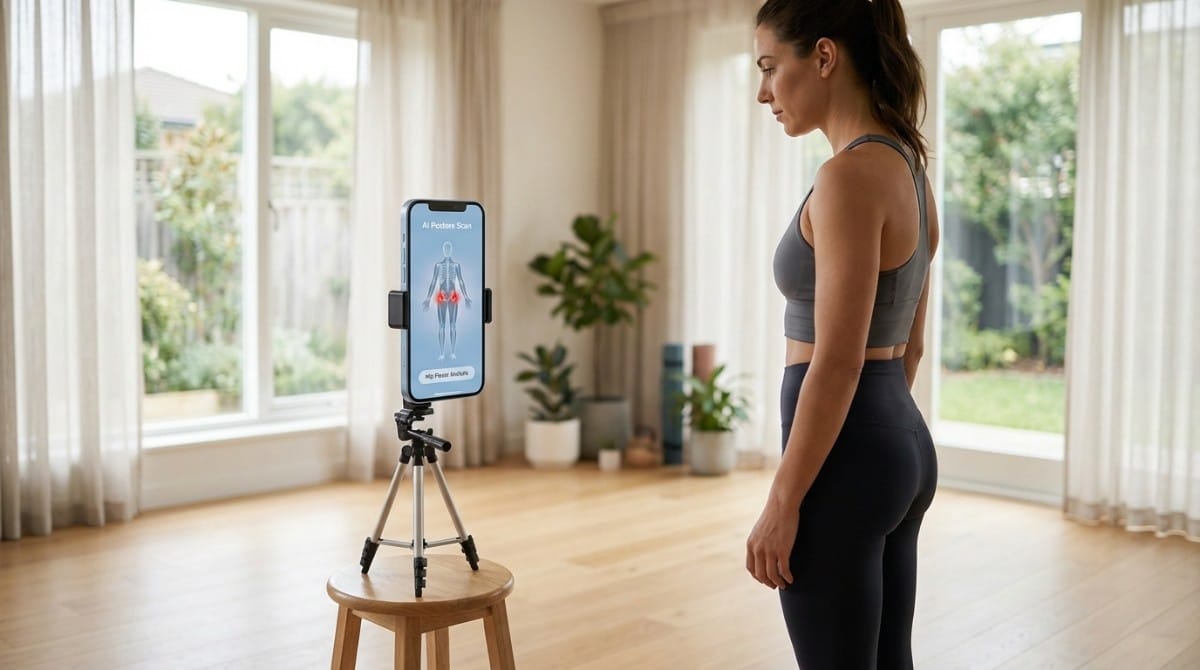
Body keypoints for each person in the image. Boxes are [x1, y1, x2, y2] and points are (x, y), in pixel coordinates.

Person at [745, 0, 941, 667]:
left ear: (824, 57)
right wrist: (882, 435)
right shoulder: (910, 167)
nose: (763, 91)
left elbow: (835, 360)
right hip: (897, 436)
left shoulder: (847, 178)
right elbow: (909, 345)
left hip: (848, 453)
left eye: (772, 66)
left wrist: (783, 500)